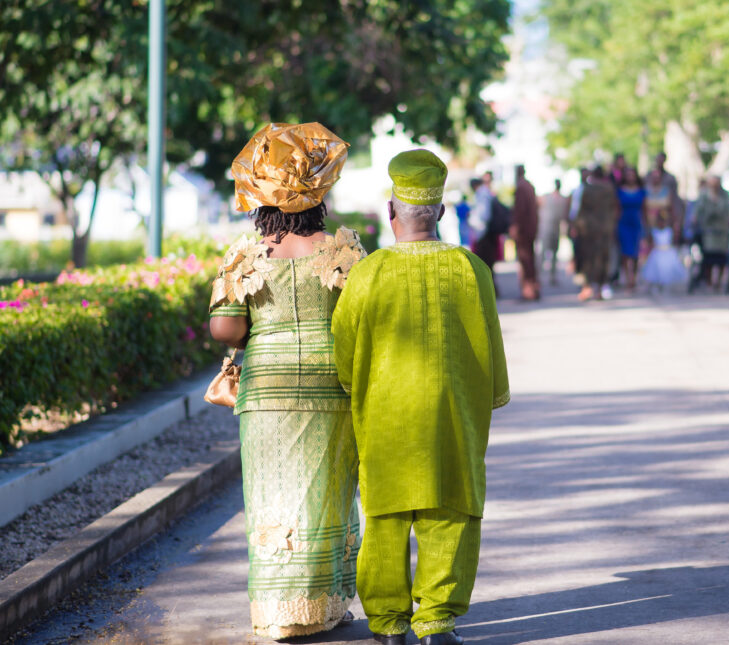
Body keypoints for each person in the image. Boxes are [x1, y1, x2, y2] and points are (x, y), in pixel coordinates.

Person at [332, 149, 509, 645]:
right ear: (443, 213)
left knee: (385, 517)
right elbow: (491, 349)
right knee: (450, 510)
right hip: (454, 418)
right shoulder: (472, 269)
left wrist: (356, 389)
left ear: (392, 213)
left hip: (387, 419)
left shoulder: (368, 274)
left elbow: (344, 353)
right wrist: (488, 398)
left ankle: (388, 625)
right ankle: (436, 621)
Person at [208, 123, 363, 640]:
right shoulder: (344, 252)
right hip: (332, 385)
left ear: (260, 198)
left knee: (273, 493)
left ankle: (278, 614)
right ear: (317, 193)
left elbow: (226, 328)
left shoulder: (245, 256)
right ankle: (324, 605)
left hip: (268, 391)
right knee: (327, 490)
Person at [570, 166, 619, 301]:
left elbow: (582, 209)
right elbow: (614, 208)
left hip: (589, 229)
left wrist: (577, 226)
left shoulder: (588, 189)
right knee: (603, 257)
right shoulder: (609, 188)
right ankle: (601, 287)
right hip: (604, 228)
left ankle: (588, 287)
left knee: (589, 258)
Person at [690, 175, 729, 293]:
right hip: (708, 230)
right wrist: (694, 219)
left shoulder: (724, 195)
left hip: (722, 230)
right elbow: (697, 209)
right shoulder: (704, 195)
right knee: (708, 258)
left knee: (721, 258)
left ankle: (718, 282)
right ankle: (709, 281)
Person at [511, 164, 540, 300]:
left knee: (525, 260)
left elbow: (520, 210)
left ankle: (529, 290)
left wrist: (516, 226)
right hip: (531, 228)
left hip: (524, 230)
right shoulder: (529, 186)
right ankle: (533, 287)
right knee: (530, 259)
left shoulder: (521, 187)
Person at [616, 167, 646, 291]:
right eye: (628, 175)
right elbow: (616, 209)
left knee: (635, 253)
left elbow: (644, 210)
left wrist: (646, 226)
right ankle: (628, 279)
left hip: (636, 223)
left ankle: (633, 277)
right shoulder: (620, 191)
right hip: (623, 223)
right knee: (625, 253)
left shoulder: (641, 192)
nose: (630, 177)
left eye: (632, 174)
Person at [640, 213, 688, 289]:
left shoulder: (669, 231)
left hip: (668, 252)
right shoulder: (654, 231)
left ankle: (665, 285)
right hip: (658, 252)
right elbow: (650, 242)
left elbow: (673, 240)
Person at [537, 179, 568, 286]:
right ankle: (538, 275)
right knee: (543, 252)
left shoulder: (563, 199)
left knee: (555, 253)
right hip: (545, 227)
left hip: (556, 228)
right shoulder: (546, 197)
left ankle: (553, 276)